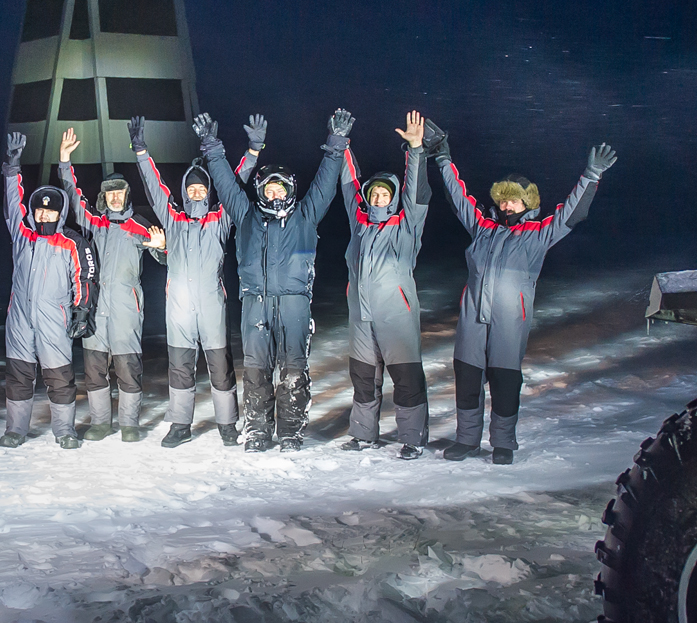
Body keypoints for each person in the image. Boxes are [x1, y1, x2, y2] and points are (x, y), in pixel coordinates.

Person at [429, 130, 618, 463]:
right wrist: (443, 158)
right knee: (468, 378)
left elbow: (571, 214)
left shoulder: (538, 234)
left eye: (514, 200)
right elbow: (458, 197)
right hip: (473, 318)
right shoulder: (483, 228)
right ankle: (467, 440)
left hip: (509, 321)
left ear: (527, 203)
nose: (507, 205)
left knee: (504, 381)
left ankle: (503, 444)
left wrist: (591, 175)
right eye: (503, 199)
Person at [199, 109, 349, 452]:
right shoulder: (246, 215)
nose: (275, 194)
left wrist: (336, 144)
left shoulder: (305, 216)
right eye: (270, 189)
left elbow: (326, 183)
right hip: (256, 302)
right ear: (261, 192)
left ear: (290, 190)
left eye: (281, 188)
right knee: (256, 369)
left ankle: (291, 431)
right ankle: (257, 431)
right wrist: (212, 147)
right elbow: (225, 184)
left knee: (294, 368)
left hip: (294, 302)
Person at [129, 115, 239, 447]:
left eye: (201, 188)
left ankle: (228, 424)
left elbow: (235, 184)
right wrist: (140, 151)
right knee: (180, 368)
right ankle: (180, 425)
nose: (196, 193)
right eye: (191, 188)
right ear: (184, 192)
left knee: (220, 367)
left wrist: (250, 152)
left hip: (211, 308)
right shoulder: (173, 219)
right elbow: (154, 185)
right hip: (178, 310)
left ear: (208, 192)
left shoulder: (220, 219)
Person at [58, 128, 165, 442]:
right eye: (109, 193)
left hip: (125, 310)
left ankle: (129, 424)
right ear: (103, 197)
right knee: (94, 369)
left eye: (119, 192)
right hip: (95, 309)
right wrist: (64, 161)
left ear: (127, 194)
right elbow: (72, 196)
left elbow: (166, 257)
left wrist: (161, 247)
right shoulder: (94, 222)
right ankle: (101, 423)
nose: (115, 197)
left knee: (128, 367)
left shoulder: (139, 225)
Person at [338, 111, 433, 457]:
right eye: (374, 194)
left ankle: (412, 438)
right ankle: (364, 434)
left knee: (406, 378)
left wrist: (416, 150)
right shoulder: (360, 223)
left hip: (396, 316)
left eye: (384, 194)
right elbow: (349, 183)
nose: (378, 199)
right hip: (361, 318)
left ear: (393, 198)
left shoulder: (406, 226)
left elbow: (416, 192)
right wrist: (341, 144)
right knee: (364, 378)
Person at [2, 131, 92, 448]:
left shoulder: (70, 242)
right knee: (19, 376)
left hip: (54, 319)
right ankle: (15, 430)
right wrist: (12, 165)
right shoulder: (23, 234)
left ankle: (65, 431)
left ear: (59, 213)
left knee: (60, 378)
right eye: (39, 210)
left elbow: (84, 276)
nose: (43, 214)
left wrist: (81, 310)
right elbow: (12, 202)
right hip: (20, 318)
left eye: (50, 210)